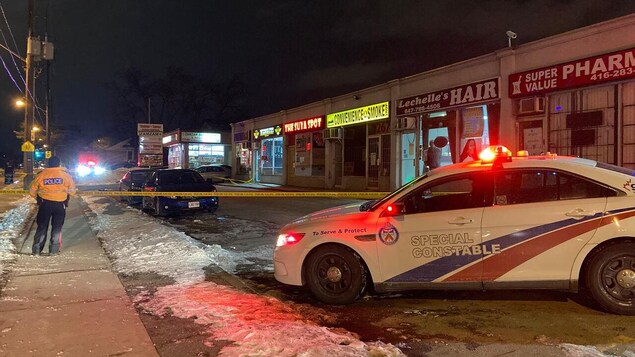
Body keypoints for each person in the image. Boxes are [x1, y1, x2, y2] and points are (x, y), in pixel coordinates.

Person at [29, 156, 77, 256]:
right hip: (60, 205)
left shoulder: (41, 175)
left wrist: (37, 197)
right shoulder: (65, 175)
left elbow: (32, 190)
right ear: (59, 164)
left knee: (42, 227)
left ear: (48, 164)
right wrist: (65, 195)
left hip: (45, 204)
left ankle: (37, 250)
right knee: (57, 227)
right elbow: (72, 191)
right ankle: (53, 250)